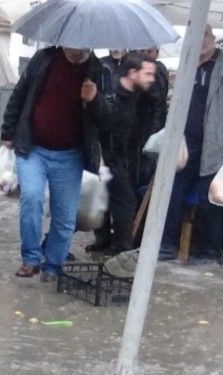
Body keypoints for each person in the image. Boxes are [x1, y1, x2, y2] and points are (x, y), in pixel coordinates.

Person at [1, 47, 112, 282]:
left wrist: (95, 100)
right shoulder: (44, 59)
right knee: (31, 198)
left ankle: (53, 265)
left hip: (71, 155)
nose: (76, 49)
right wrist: (8, 131)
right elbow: (20, 95)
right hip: (33, 148)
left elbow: (109, 118)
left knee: (65, 216)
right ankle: (31, 258)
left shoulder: (99, 71)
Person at [160, 25, 223, 265]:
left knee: (210, 199)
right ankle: (166, 246)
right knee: (172, 192)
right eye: (195, 38)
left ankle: (209, 253)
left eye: (205, 37)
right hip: (184, 143)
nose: (201, 43)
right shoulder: (187, 64)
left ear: (213, 39)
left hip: (216, 142)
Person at [88, 53, 157, 255]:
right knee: (120, 200)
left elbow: (155, 104)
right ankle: (117, 246)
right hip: (106, 154)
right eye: (148, 74)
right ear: (132, 73)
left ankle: (110, 243)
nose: (152, 79)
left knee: (114, 199)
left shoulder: (137, 94)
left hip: (125, 154)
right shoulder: (112, 95)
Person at [134, 46, 170, 188]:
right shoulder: (141, 70)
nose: (145, 55)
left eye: (149, 52)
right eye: (142, 51)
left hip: (147, 131)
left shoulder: (156, 72)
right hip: (140, 130)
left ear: (156, 53)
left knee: (144, 173)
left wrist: (152, 135)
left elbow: (157, 107)